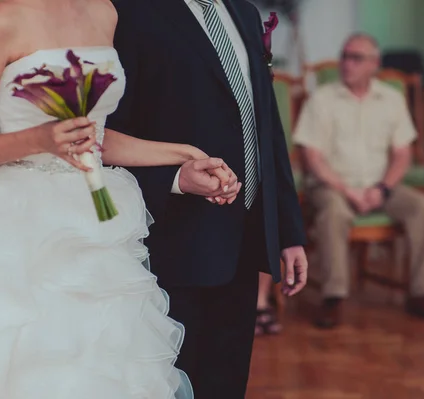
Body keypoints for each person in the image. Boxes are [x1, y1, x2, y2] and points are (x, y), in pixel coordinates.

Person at [0, 0, 241, 397]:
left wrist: (183, 152)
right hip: (20, 226)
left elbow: (95, 138)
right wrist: (37, 140)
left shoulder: (105, 12)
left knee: (102, 366)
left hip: (95, 224)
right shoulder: (5, 16)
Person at [107, 1, 309, 397]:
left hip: (246, 239)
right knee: (172, 384)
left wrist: (288, 229)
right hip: (174, 240)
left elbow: (266, 124)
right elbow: (106, 134)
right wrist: (174, 177)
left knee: (227, 382)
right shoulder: (131, 12)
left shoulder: (244, 12)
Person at [294, 33, 424, 329]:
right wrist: (348, 190)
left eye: (356, 58)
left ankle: (423, 294)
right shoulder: (322, 98)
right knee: (334, 212)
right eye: (344, 56)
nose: (347, 63)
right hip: (332, 186)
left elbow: (403, 153)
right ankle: (333, 297)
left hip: (380, 186)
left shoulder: (391, 100)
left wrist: (383, 189)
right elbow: (312, 157)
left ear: (374, 64)